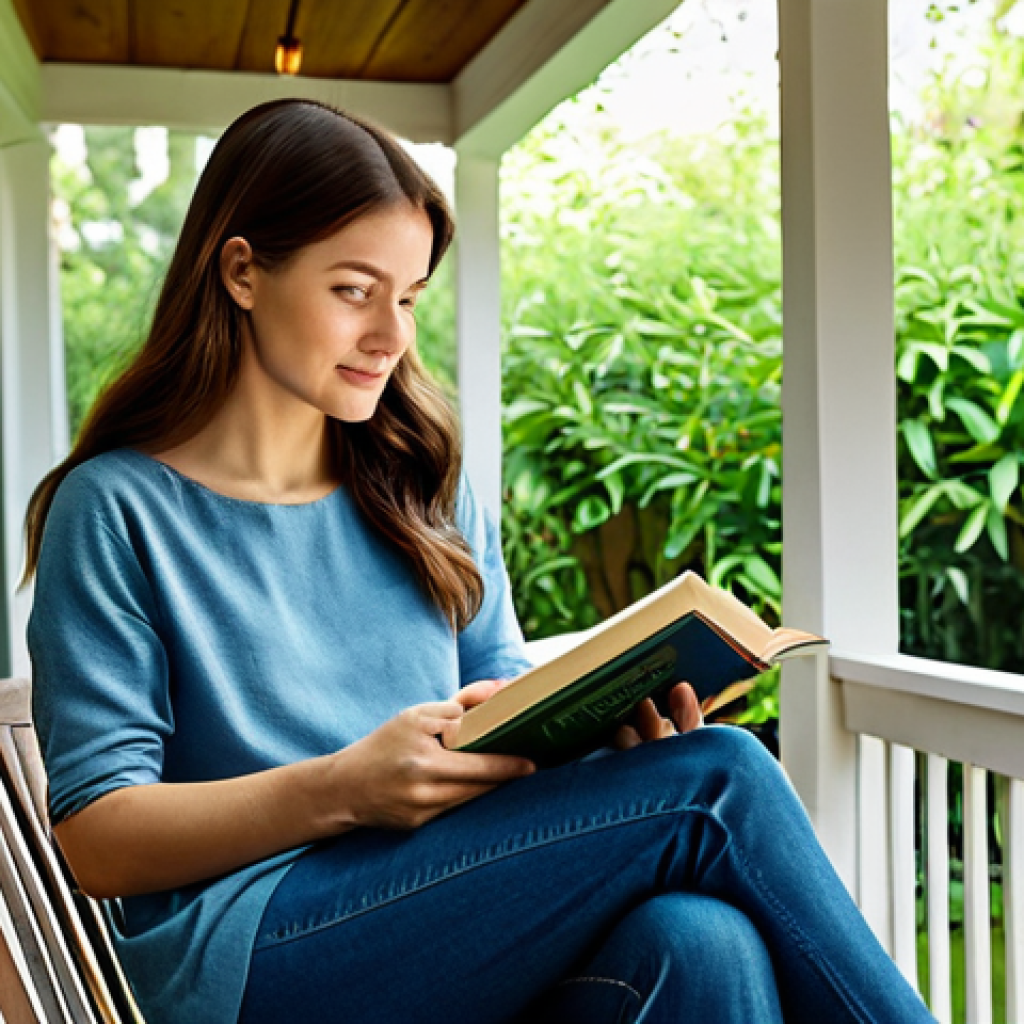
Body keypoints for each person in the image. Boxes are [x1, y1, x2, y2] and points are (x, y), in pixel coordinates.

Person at [23, 99, 935, 1024]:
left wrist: (609, 732)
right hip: (258, 956)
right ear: (243, 271)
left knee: (701, 941)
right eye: (354, 290)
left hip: (458, 915)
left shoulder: (425, 485)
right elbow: (101, 838)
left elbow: (502, 702)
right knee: (721, 777)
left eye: (409, 296)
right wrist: (343, 789)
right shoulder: (114, 510)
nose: (393, 335)